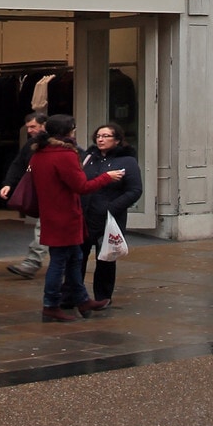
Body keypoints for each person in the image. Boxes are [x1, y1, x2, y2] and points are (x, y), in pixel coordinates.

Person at [29, 113, 123, 322]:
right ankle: (50, 304)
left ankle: (81, 299)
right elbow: (82, 186)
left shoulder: (39, 153)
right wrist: (106, 177)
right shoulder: (65, 154)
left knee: (75, 258)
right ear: (67, 132)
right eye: (73, 128)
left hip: (52, 213)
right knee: (60, 261)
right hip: (65, 215)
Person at [80, 124, 142, 308]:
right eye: (98, 136)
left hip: (108, 218)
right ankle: (74, 294)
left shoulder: (127, 161)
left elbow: (135, 190)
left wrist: (111, 208)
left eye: (106, 136)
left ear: (116, 140)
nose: (101, 139)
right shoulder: (88, 158)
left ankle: (103, 296)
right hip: (85, 216)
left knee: (105, 259)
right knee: (78, 257)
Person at [1, 110, 48, 278]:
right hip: (42, 192)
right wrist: (8, 183)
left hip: (53, 194)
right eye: (28, 127)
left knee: (43, 227)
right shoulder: (31, 145)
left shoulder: (57, 146)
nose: (29, 131)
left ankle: (32, 262)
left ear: (44, 125)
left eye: (33, 126)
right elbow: (19, 163)